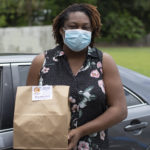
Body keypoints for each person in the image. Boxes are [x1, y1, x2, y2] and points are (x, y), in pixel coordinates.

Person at [27, 3, 127, 150]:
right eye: (73, 26)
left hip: (93, 145)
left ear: (92, 31)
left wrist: (80, 131)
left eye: (85, 27)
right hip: (49, 145)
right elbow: (28, 107)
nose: (79, 31)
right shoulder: (41, 62)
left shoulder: (103, 61)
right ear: (62, 30)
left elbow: (120, 109)